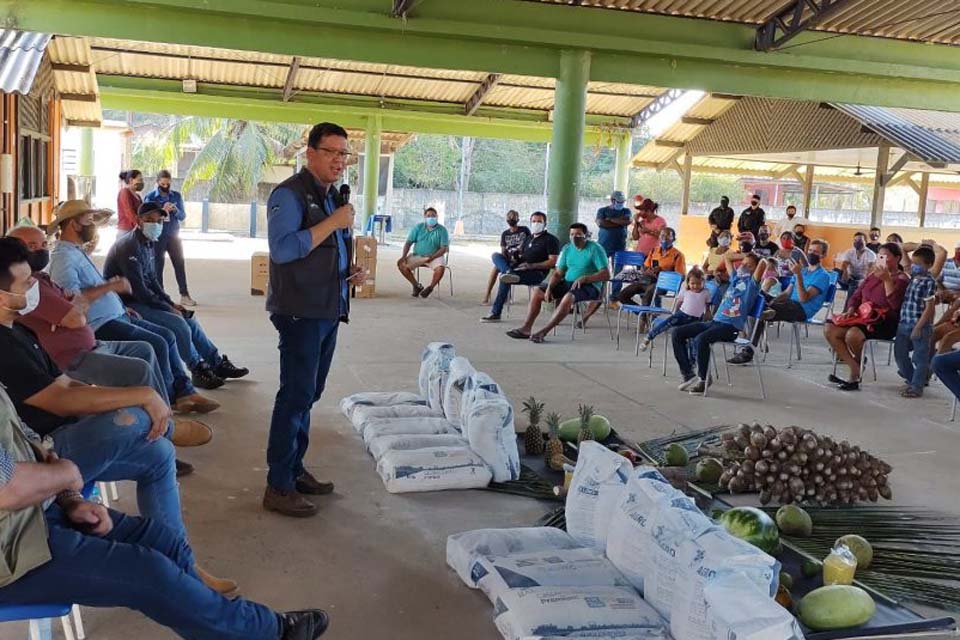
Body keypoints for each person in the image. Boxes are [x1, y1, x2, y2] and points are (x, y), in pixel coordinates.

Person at [0, 238, 241, 592]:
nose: (34, 288)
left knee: (157, 455)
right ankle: (169, 427)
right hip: (45, 456)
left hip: (72, 436)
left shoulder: (19, 329)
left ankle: (184, 567)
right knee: (140, 417)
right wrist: (141, 398)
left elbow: (67, 385)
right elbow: (58, 401)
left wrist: (120, 398)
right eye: (26, 285)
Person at [0, 387, 330, 639]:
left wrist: (71, 497)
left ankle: (215, 622)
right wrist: (67, 476)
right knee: (147, 572)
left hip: (36, 514)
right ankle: (268, 631)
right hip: (13, 553)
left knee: (159, 539)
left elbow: (31, 443)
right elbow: (8, 488)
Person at [7, 226, 217, 419]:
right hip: (81, 348)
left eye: (44, 244)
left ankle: (176, 397)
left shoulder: (45, 275)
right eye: (32, 246)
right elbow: (77, 315)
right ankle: (164, 421)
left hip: (102, 329)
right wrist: (106, 290)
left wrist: (165, 303)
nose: (41, 250)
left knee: (154, 343)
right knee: (154, 351)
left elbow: (77, 302)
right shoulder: (48, 274)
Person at [265, 121, 365, 518]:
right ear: (310, 153)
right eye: (332, 152)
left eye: (345, 154)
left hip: (326, 308)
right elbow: (284, 250)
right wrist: (334, 223)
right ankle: (278, 484)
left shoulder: (329, 198)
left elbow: (328, 248)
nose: (340, 161)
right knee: (294, 396)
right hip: (299, 312)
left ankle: (294, 467)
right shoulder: (289, 195)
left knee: (309, 394)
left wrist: (348, 272)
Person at [49, 200, 223, 403]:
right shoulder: (64, 258)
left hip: (119, 313)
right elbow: (70, 302)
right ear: (73, 224)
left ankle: (185, 390)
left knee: (168, 335)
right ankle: (171, 397)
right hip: (101, 323)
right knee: (160, 340)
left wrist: (122, 306)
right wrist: (111, 287)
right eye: (89, 220)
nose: (93, 225)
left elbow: (151, 281)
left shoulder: (77, 251)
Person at [103, 202, 249, 390]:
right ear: (139, 221)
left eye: (159, 220)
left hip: (142, 299)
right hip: (128, 305)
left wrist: (171, 302)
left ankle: (216, 363)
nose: (155, 224)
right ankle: (197, 368)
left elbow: (153, 280)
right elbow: (139, 291)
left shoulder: (147, 243)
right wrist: (168, 308)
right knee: (178, 324)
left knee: (189, 319)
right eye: (149, 220)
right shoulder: (129, 247)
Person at [672, 251, 765, 394]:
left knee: (701, 339)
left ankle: (703, 379)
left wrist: (756, 260)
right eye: (743, 264)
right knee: (677, 332)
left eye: (749, 266)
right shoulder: (735, 279)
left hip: (730, 328)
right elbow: (727, 257)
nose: (744, 267)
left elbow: (763, 264)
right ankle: (688, 374)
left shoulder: (752, 284)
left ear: (755, 269)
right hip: (715, 322)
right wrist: (745, 258)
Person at [728, 239, 833, 365]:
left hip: (801, 309)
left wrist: (798, 275)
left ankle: (748, 351)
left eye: (815, 252)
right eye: (810, 250)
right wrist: (773, 300)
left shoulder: (822, 276)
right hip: (787, 303)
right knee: (755, 297)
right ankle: (766, 310)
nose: (811, 253)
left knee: (761, 309)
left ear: (823, 255)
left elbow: (803, 298)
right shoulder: (803, 270)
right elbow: (787, 293)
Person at [505, 223, 609, 344]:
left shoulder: (595, 249)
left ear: (586, 236)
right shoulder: (567, 249)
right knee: (537, 291)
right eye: (572, 234)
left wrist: (586, 278)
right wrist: (549, 288)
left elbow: (606, 274)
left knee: (568, 297)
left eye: (578, 235)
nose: (575, 237)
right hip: (568, 282)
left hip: (590, 286)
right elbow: (558, 273)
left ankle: (543, 332)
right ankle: (526, 328)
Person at [824, 243, 909, 391]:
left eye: (886, 256)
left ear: (897, 258)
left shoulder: (901, 279)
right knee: (830, 329)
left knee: (853, 335)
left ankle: (854, 373)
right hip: (864, 316)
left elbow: (895, 304)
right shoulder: (872, 276)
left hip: (884, 320)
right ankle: (855, 366)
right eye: (880, 256)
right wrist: (850, 308)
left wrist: (887, 280)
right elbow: (857, 295)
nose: (882, 260)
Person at [481, 211, 559, 322]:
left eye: (539, 221)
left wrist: (532, 266)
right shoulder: (529, 239)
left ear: (545, 224)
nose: (536, 224)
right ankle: (508, 270)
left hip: (537, 273)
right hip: (520, 268)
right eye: (534, 221)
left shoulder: (551, 240)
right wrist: (515, 258)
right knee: (496, 256)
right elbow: (522, 255)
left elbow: (552, 262)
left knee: (505, 278)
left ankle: (495, 312)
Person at [144, 169, 195, 307]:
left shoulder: (176, 196)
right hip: (157, 236)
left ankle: (184, 294)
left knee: (179, 264)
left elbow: (183, 216)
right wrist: (163, 211)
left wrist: (175, 210)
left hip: (173, 235)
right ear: (157, 182)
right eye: (163, 183)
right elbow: (147, 219)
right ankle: (160, 295)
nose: (165, 186)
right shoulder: (150, 198)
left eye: (168, 184)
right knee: (157, 267)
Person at [894, 245, 940, 398]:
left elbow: (929, 308)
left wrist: (919, 327)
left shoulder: (929, 282)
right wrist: (916, 246)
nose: (914, 266)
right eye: (914, 263)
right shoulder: (912, 277)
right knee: (900, 355)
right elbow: (903, 252)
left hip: (919, 324)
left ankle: (916, 387)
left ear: (928, 265)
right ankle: (912, 378)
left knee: (920, 357)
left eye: (918, 264)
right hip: (903, 323)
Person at [638, 269, 710, 352]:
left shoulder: (706, 292)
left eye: (699, 284)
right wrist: (675, 312)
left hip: (696, 319)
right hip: (682, 315)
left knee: (692, 341)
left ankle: (692, 362)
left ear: (703, 283)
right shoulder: (685, 290)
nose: (695, 286)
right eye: (692, 283)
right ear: (688, 283)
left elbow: (707, 304)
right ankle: (649, 336)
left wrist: (708, 313)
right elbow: (679, 302)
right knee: (666, 323)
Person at [615, 227, 686, 307]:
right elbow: (645, 267)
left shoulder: (677, 255)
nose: (664, 238)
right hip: (647, 280)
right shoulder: (654, 251)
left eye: (668, 236)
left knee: (647, 295)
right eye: (662, 235)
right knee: (622, 296)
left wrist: (662, 272)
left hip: (662, 283)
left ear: (673, 239)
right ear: (659, 237)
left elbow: (681, 276)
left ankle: (644, 317)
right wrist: (649, 270)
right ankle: (642, 313)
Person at [397, 207, 449, 299]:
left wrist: (432, 257)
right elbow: (408, 242)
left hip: (435, 256)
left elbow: (444, 248)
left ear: (437, 217)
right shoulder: (418, 227)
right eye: (428, 216)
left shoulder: (442, 230)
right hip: (418, 256)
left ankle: (430, 288)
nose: (431, 218)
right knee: (401, 264)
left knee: (440, 268)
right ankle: (416, 285)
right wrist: (404, 256)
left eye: (433, 216)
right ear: (425, 217)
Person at [482, 210, 529, 305]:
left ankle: (504, 288)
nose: (511, 219)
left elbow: (530, 244)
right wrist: (505, 259)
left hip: (521, 258)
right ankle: (487, 294)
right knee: (495, 256)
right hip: (508, 259)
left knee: (498, 269)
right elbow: (503, 251)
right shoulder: (505, 234)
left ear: (518, 219)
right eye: (509, 217)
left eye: (513, 217)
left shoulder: (524, 230)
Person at [595, 190, 632, 259]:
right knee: (602, 268)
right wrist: (620, 223)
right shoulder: (602, 210)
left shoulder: (626, 211)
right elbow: (601, 223)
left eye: (622, 202)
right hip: (604, 245)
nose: (621, 203)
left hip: (620, 246)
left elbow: (628, 221)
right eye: (619, 202)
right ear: (612, 200)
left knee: (618, 269)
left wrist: (610, 219)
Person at [117, 169, 144, 234]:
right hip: (126, 231)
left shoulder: (138, 196)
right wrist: (141, 225)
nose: (142, 182)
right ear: (131, 180)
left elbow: (142, 212)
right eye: (140, 180)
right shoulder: (124, 192)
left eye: (142, 180)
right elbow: (129, 213)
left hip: (135, 230)